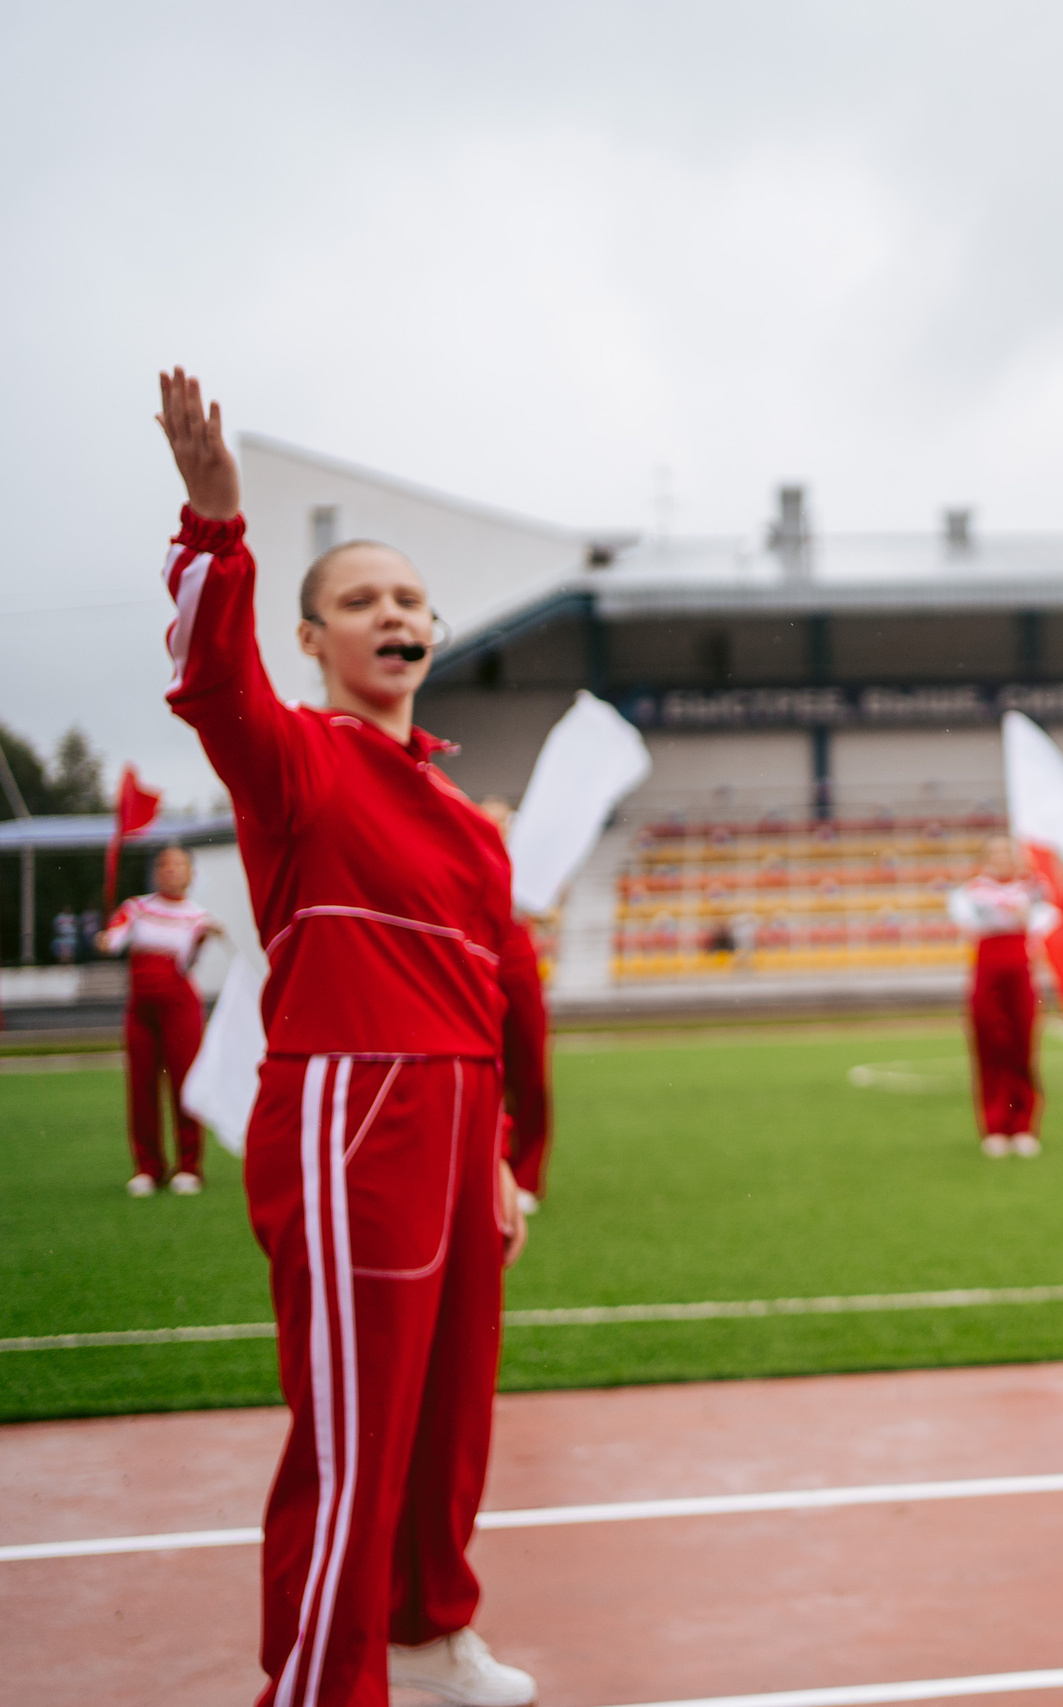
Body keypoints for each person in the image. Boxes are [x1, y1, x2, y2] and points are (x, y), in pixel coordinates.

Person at [153, 368, 536, 1707]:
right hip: (351, 1110)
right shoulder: (299, 757)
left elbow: (489, 997)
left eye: (411, 600)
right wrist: (215, 528)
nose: (394, 615)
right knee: (358, 1418)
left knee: (450, 1406)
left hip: (457, 1114)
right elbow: (211, 681)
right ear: (312, 640)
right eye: (362, 600)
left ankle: (427, 1639)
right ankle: (321, 1683)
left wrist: (497, 1150)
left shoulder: (470, 821)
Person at [97, 843, 223, 1195]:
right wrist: (107, 940)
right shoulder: (136, 908)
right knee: (141, 1086)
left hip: (179, 1006)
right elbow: (116, 936)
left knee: (185, 1084)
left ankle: (189, 1166)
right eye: (164, 864)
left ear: (190, 874)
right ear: (156, 872)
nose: (170, 870)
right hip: (141, 1008)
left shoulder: (199, 917)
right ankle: (148, 1167)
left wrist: (208, 937)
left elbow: (189, 962)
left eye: (178, 865)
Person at [948, 836, 1054, 1157]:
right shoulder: (969, 893)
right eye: (995, 852)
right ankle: (994, 1126)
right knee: (989, 1046)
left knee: (1022, 1045)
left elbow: (1044, 922)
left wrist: (1027, 911)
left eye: (1007, 852)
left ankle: (1023, 1125)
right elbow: (970, 926)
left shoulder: (1033, 889)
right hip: (988, 970)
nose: (1002, 858)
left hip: (1021, 970)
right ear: (984, 857)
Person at [477, 801, 556, 1213]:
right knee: (481, 1069)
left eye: (502, 821)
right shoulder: (465, 850)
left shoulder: (527, 862)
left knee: (529, 1068)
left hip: (516, 957)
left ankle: (526, 1175)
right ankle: (488, 1168)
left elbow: (547, 902)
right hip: (476, 956)